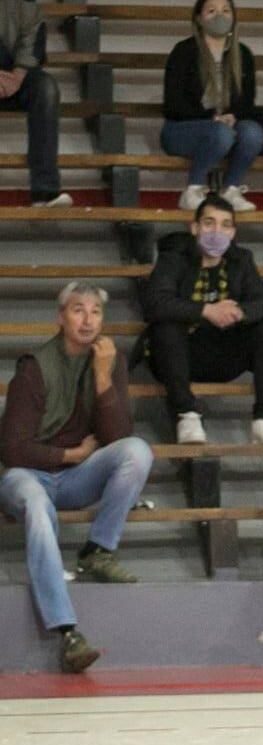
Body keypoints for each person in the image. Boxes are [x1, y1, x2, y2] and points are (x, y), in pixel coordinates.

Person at [0, 283, 152, 673]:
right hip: (27, 475)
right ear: (60, 317)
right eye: (78, 310)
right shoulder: (34, 366)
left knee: (137, 451)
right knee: (34, 502)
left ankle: (97, 551)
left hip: (75, 479)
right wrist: (68, 454)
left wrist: (102, 378)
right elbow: (12, 449)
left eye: (96, 312)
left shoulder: (109, 358)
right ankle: (68, 631)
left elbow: (118, 436)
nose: (88, 320)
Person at [138, 193, 263, 446]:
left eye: (225, 225)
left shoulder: (242, 259)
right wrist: (206, 311)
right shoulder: (174, 257)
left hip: (224, 353)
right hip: (178, 354)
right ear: (194, 228)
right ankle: (187, 415)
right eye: (209, 223)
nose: (217, 231)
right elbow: (154, 303)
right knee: (166, 328)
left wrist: (237, 312)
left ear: (233, 233)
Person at [160, 0, 263, 212]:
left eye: (226, 11)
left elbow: (247, 102)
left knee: (253, 132)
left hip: (225, 126)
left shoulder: (243, 54)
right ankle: (193, 189)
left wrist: (232, 116)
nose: (220, 16)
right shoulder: (184, 51)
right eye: (212, 11)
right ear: (199, 19)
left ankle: (231, 189)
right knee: (221, 133)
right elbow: (173, 104)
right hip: (182, 129)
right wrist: (212, 118)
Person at [0, 0, 69, 208]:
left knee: (46, 88)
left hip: (15, 77)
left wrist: (18, 74)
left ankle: (45, 191)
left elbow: (33, 30)